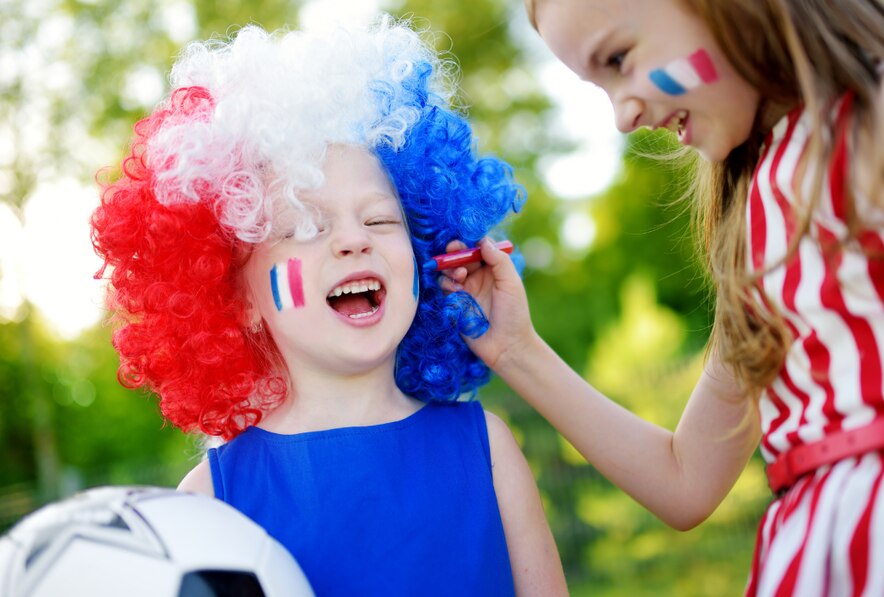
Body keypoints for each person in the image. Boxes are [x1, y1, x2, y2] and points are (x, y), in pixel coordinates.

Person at [441, 0, 884, 594]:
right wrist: (515, 349)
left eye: (619, 59)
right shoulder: (753, 224)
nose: (621, 116)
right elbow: (686, 478)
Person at [90, 19, 568, 596]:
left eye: (379, 220)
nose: (353, 240)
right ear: (236, 297)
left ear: (424, 258)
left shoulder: (486, 447)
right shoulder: (208, 503)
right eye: (307, 225)